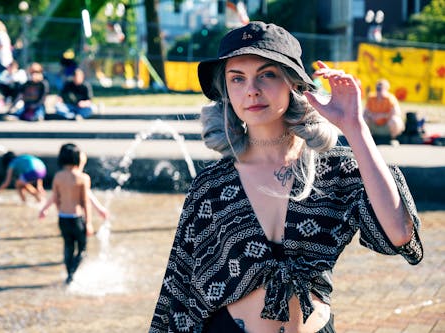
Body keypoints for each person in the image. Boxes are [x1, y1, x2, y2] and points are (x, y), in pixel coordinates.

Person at [149, 22, 423, 333]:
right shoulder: (212, 186)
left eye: (267, 74)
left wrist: (355, 128)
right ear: (226, 91)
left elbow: (400, 234)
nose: (251, 89)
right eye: (237, 78)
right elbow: (180, 290)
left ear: (293, 83)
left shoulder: (335, 171)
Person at [39, 143, 94, 284]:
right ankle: (72, 275)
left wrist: (46, 209)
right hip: (77, 218)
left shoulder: (58, 176)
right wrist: (88, 223)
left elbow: (55, 199)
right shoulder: (83, 178)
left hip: (63, 218)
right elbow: (85, 202)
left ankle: (69, 274)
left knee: (68, 247)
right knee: (82, 249)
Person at [39, 150, 109, 220]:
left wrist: (45, 208)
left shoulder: (61, 177)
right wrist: (99, 209)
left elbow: (54, 196)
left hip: (63, 216)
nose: (81, 168)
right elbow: (87, 199)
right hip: (76, 216)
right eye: (81, 164)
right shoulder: (81, 178)